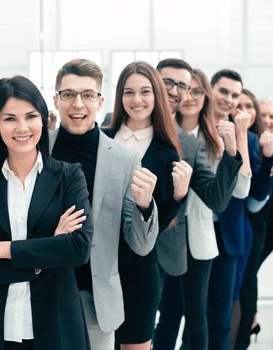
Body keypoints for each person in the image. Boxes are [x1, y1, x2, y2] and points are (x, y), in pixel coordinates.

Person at [0, 59, 159, 350]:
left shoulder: (123, 159)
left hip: (95, 298)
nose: (78, 103)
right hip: (35, 295)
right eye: (68, 94)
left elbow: (129, 245)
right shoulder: (31, 143)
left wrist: (145, 207)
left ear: (100, 101)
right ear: (55, 101)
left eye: (88, 95)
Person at [0, 76, 93, 350]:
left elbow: (78, 249)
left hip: (57, 328)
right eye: (9, 119)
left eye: (31, 116)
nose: (22, 127)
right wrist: (47, 255)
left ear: (43, 120)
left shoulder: (69, 177)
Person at [153, 59, 243, 350]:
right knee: (167, 313)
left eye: (195, 91)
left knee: (196, 314)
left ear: (206, 97)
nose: (187, 96)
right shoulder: (164, 132)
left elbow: (221, 195)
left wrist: (234, 146)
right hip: (165, 233)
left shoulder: (209, 139)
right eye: (181, 88)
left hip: (199, 235)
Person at [103, 61, 190, 350]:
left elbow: (157, 226)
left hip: (140, 267)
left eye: (145, 91)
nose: (137, 100)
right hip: (99, 266)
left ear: (156, 96)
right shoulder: (102, 137)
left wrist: (178, 198)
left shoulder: (167, 151)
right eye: (128, 92)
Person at [206, 70, 273, 350]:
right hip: (198, 230)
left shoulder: (253, 142)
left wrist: (244, 139)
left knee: (230, 303)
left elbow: (252, 195)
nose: (234, 103)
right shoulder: (201, 132)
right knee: (191, 310)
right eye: (229, 95)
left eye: (240, 99)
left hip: (234, 232)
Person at [235, 93, 273, 349]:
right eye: (266, 116)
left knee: (248, 277)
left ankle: (247, 325)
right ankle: (247, 323)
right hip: (251, 224)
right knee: (246, 279)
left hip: (262, 227)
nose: (268, 121)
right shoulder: (252, 143)